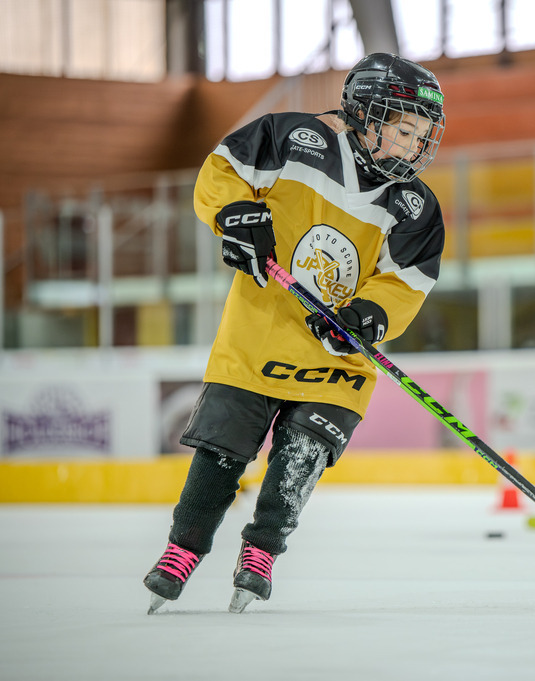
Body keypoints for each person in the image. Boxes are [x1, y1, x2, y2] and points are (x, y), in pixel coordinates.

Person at [143, 53, 447, 614]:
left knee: (301, 456)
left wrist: (368, 318)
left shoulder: (415, 208)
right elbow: (221, 173)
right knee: (221, 454)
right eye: (404, 130)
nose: (414, 145)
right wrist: (236, 215)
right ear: (365, 113)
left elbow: (406, 285)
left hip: (337, 365)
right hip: (256, 339)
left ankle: (261, 553)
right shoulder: (291, 138)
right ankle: (183, 550)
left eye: (422, 135)